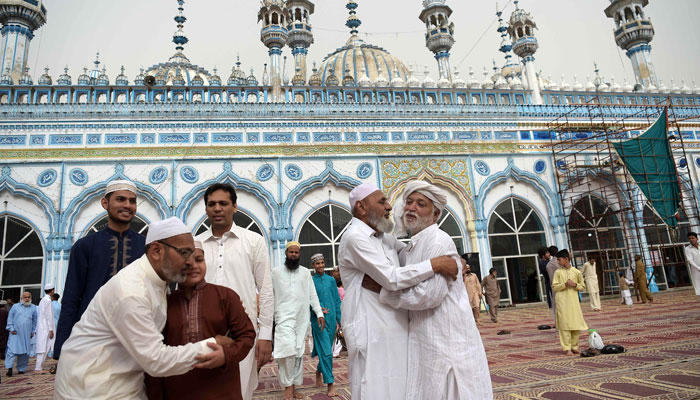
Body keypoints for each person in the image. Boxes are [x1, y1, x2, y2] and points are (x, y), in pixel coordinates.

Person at [54, 217, 228, 399]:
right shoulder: (132, 292)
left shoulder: (158, 281)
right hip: (92, 384)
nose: (190, 262)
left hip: (121, 378)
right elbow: (156, 360)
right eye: (184, 252)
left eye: (192, 254)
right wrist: (213, 345)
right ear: (156, 251)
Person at [337, 182, 458, 400]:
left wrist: (451, 257)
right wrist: (436, 264)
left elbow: (413, 256)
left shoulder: (385, 238)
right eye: (382, 201)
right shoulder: (355, 238)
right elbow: (392, 278)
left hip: (397, 328)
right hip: (371, 331)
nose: (390, 206)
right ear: (362, 207)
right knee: (374, 389)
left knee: (400, 389)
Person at [378, 181, 493, 399]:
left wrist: (385, 295)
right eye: (409, 202)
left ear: (436, 214)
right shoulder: (413, 244)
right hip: (428, 338)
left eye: (421, 204)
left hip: (447, 339)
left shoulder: (438, 242)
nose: (412, 208)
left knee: (449, 390)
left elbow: (429, 296)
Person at [145, 240, 257, 400]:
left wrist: (226, 355)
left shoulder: (226, 296)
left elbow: (247, 335)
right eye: (186, 262)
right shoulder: (165, 303)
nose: (193, 266)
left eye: (198, 260)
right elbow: (155, 351)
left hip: (222, 388)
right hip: (178, 388)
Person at [195, 183, 274, 399]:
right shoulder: (196, 243)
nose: (217, 208)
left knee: (239, 391)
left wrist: (266, 334)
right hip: (203, 331)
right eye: (211, 204)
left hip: (242, 332)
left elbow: (265, 288)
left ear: (235, 206)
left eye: (223, 203)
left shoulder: (253, 241)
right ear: (206, 209)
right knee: (205, 390)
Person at [55, 180, 146, 360]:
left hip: (137, 334)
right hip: (93, 335)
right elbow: (72, 298)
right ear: (105, 203)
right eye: (120, 199)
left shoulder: (146, 246)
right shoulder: (85, 246)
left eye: (132, 201)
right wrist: (62, 347)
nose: (127, 205)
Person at [272, 242, 325, 400]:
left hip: (302, 319)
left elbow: (312, 294)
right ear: (286, 253)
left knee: (297, 354)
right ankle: (288, 386)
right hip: (283, 318)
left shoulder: (305, 273)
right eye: (291, 252)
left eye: (296, 252)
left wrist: (319, 312)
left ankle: (293, 387)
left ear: (299, 254)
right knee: (287, 352)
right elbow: (270, 295)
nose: (293, 255)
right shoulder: (275, 272)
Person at [310, 253, 342, 397]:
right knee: (327, 352)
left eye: (322, 263)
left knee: (326, 351)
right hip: (318, 321)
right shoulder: (310, 281)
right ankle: (330, 383)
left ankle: (318, 370)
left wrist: (340, 321)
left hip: (331, 320)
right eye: (318, 263)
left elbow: (337, 301)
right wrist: (318, 309)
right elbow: (307, 301)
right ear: (313, 266)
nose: (321, 265)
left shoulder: (331, 280)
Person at [552, 249, 588, 356]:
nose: (558, 262)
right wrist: (565, 284)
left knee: (575, 325)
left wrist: (574, 285)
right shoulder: (557, 272)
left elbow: (583, 287)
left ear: (566, 259)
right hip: (562, 303)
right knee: (564, 326)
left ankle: (574, 347)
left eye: (559, 260)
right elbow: (554, 287)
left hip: (574, 303)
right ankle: (567, 348)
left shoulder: (576, 272)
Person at [4, 292, 36, 376]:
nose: (27, 299)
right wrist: (11, 328)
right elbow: (10, 318)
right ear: (21, 298)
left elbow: (34, 321)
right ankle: (9, 368)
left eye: (28, 297)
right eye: (25, 297)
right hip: (15, 333)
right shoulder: (15, 307)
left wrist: (33, 331)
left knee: (24, 352)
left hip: (27, 334)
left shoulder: (33, 307)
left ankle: (21, 369)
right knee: (12, 351)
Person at [34, 283, 55, 373]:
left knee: (43, 346)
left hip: (42, 326)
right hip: (46, 327)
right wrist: (50, 329)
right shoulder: (48, 301)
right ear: (52, 290)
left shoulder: (43, 300)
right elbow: (48, 316)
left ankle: (39, 366)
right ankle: (38, 368)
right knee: (44, 347)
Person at [683, 232, 700, 302]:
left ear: (697, 239)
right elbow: (690, 261)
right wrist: (698, 268)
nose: (691, 240)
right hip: (696, 271)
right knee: (698, 287)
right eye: (689, 239)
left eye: (693, 238)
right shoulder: (687, 249)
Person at [546, 245, 560, 325]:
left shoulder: (549, 265)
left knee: (557, 308)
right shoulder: (560, 263)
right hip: (560, 287)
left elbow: (551, 280)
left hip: (556, 288)